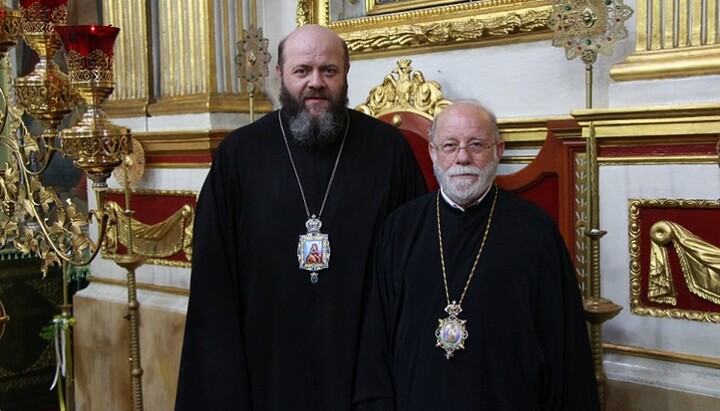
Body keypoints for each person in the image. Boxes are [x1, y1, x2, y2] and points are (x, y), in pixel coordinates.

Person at [175, 24, 427, 410]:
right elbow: (214, 285)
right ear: (280, 74)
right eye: (302, 71)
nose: (316, 83)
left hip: (363, 368)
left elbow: (414, 271)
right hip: (266, 370)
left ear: (346, 75)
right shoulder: (239, 156)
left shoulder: (388, 152)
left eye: (329, 70)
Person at [353, 100, 600, 410]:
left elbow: (565, 352)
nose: (462, 158)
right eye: (450, 145)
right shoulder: (399, 229)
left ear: (498, 149)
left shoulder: (536, 233)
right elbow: (375, 344)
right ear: (433, 153)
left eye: (476, 145)